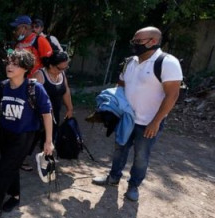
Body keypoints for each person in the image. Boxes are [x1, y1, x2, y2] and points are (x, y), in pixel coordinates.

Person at [92, 26, 182, 202]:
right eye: (134, 40)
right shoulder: (130, 62)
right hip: (126, 118)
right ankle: (113, 177)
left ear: (153, 41)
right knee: (119, 150)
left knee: (141, 156)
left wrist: (156, 122)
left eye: (138, 41)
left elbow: (173, 95)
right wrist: (113, 108)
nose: (134, 44)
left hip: (148, 122)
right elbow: (121, 86)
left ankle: (133, 186)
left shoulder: (167, 63)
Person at [0, 49, 53, 218]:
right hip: (5, 133)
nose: (9, 66)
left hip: (25, 136)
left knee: (2, 169)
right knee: (11, 165)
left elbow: (46, 114)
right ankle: (15, 196)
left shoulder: (35, 88)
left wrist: (48, 141)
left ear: (26, 68)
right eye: (9, 62)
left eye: (15, 63)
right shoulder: (2, 86)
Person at [32, 51, 74, 139]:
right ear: (51, 65)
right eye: (60, 68)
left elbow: (66, 91)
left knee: (49, 143)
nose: (63, 71)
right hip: (38, 117)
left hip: (54, 115)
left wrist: (70, 109)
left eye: (65, 68)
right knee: (32, 142)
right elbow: (31, 97)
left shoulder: (61, 73)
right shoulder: (39, 75)